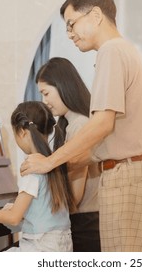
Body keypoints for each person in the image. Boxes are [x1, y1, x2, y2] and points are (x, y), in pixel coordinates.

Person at [20, 0, 142, 252]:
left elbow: (102, 124)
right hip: (138, 172)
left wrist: (49, 162)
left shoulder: (111, 51)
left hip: (127, 176)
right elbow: (116, 133)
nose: (69, 33)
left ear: (96, 15)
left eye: (71, 23)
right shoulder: (125, 51)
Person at [0, 101, 76, 252]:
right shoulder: (52, 163)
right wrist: (2, 211)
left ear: (22, 132)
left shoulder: (31, 167)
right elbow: (44, 206)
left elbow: (14, 218)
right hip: (61, 247)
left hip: (39, 248)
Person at [35, 57, 101, 252]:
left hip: (85, 224)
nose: (44, 102)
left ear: (63, 86)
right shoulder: (72, 123)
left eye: (46, 93)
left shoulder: (79, 125)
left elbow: (75, 196)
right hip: (88, 221)